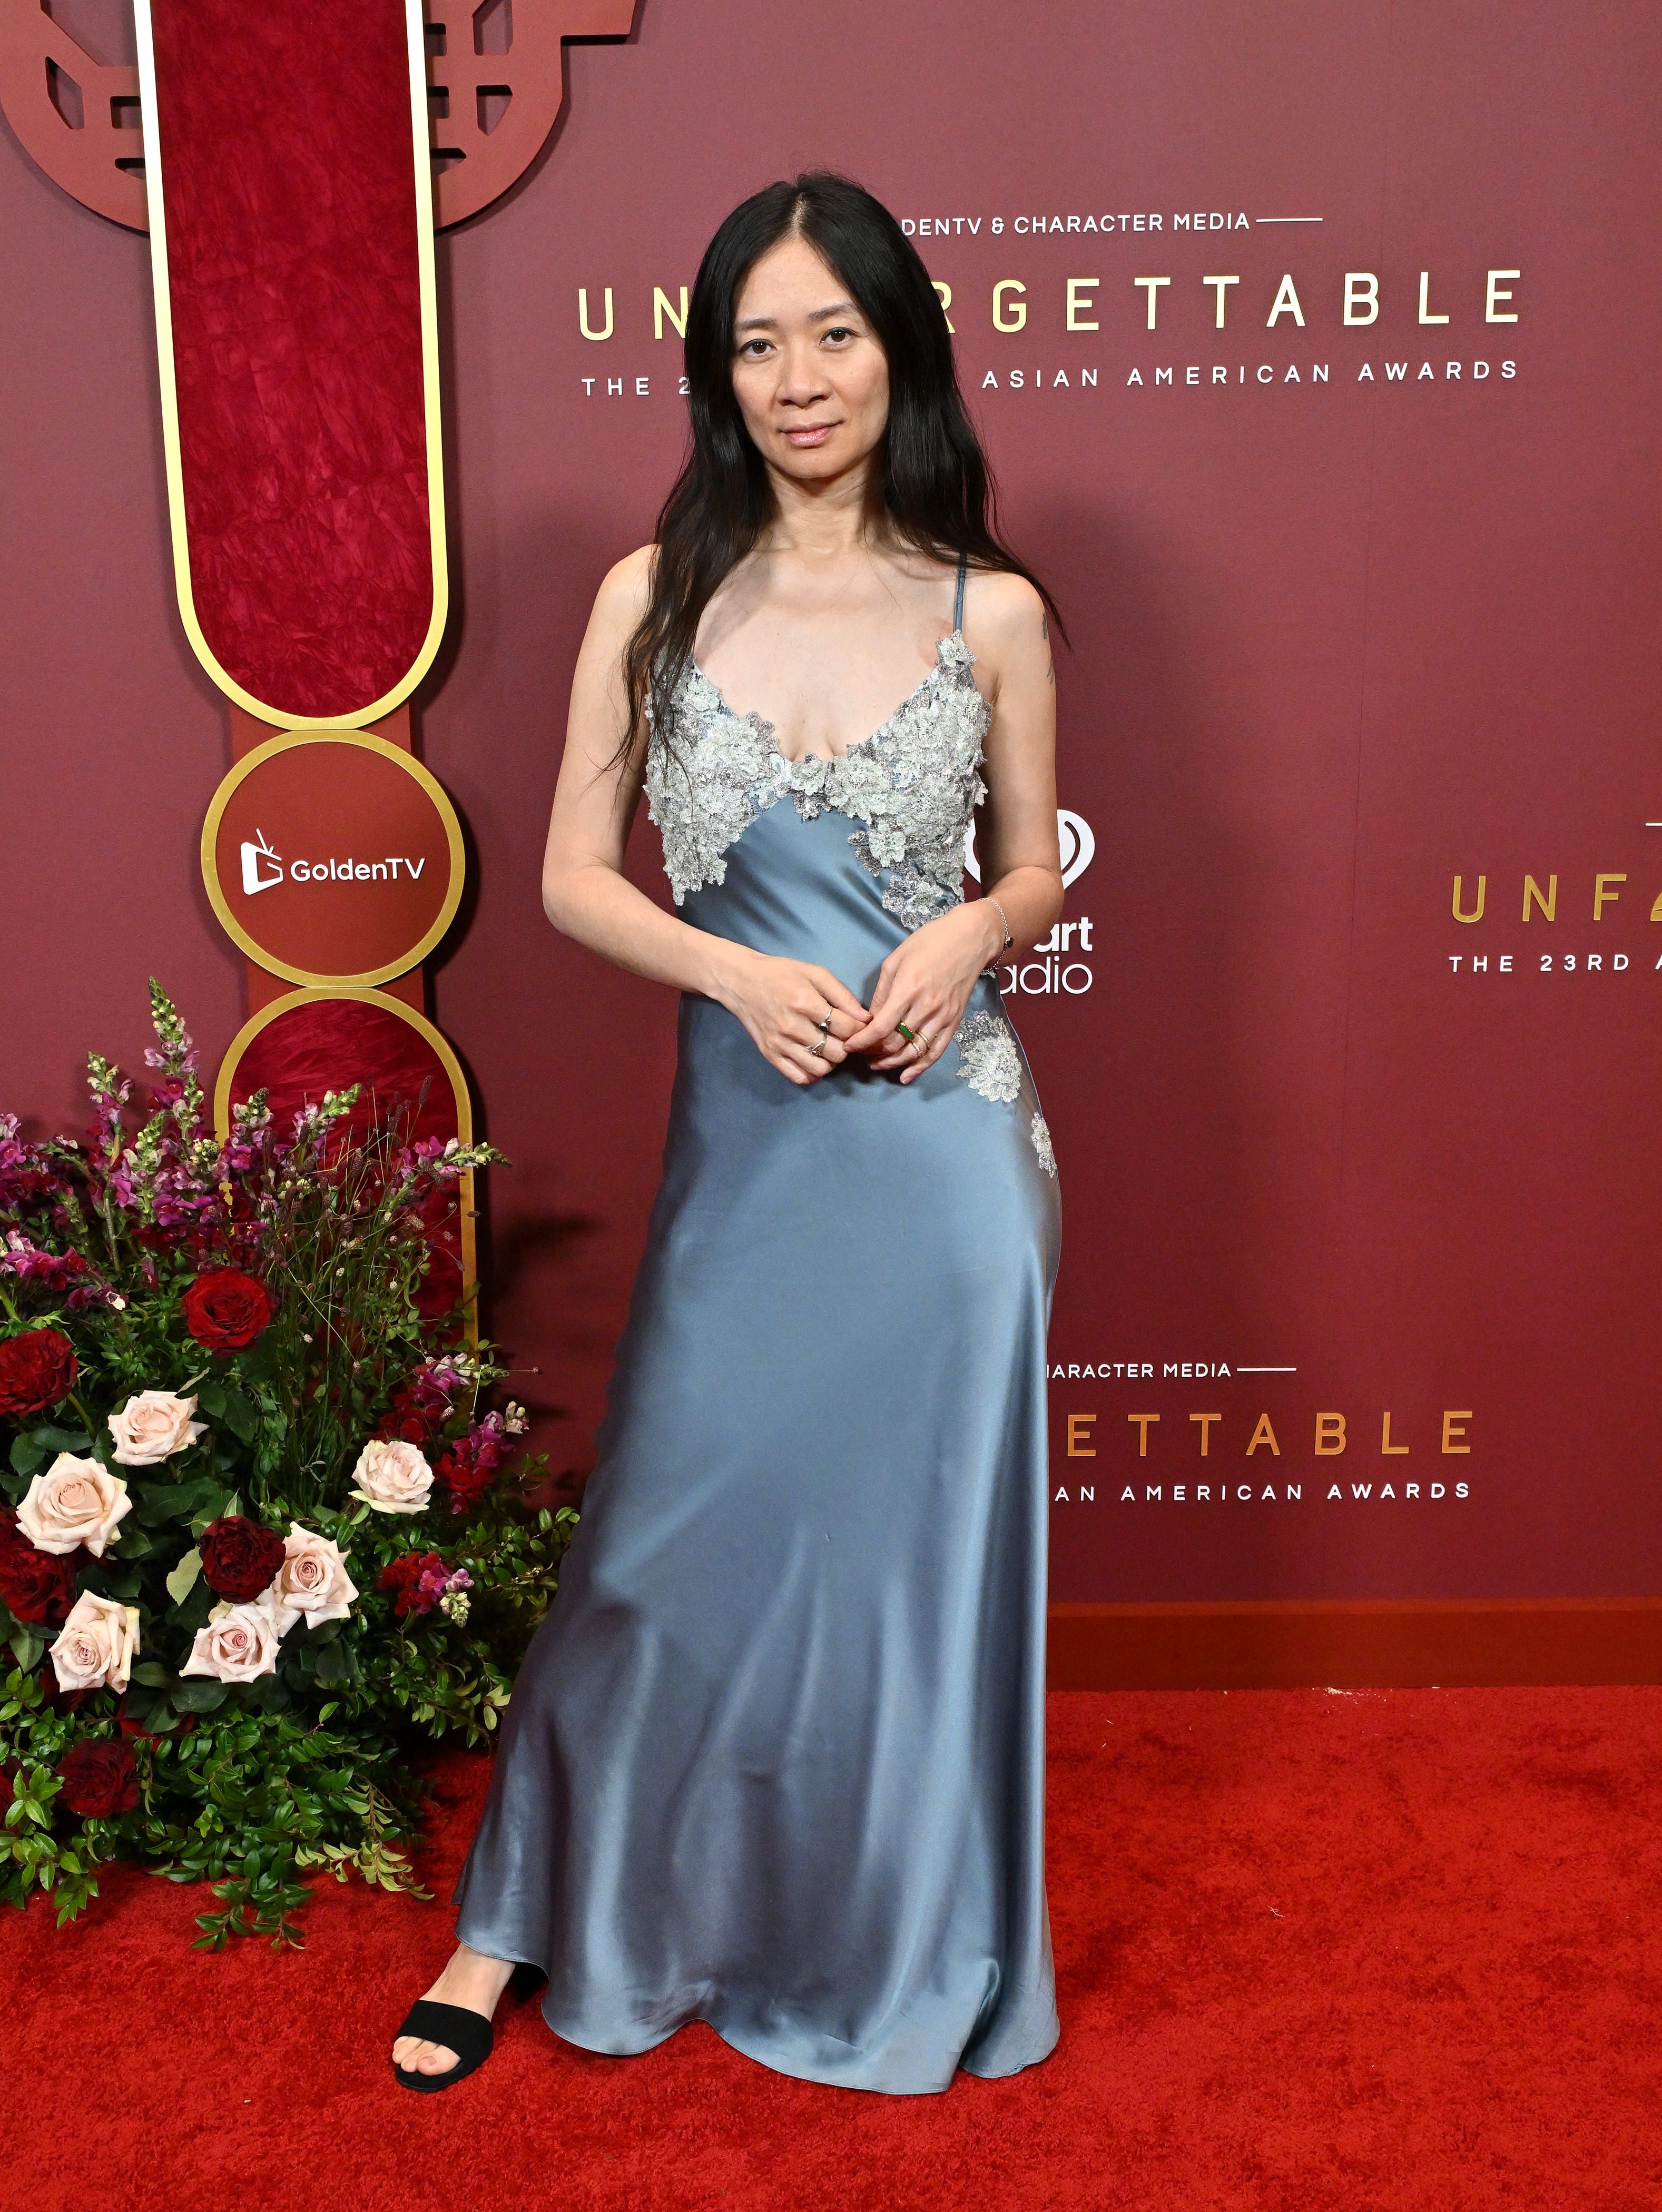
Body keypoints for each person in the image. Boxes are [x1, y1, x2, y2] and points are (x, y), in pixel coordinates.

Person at [392, 172, 1065, 2097]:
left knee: (903, 1579)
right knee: (657, 1549)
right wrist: (727, 971)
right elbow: (565, 881)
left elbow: (1026, 872)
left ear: (899, 346)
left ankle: (885, 1938)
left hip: (944, 1154)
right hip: (754, 1139)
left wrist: (961, 926)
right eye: (755, 343)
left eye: (832, 333)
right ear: (714, 375)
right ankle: (516, 1917)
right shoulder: (653, 591)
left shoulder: (990, 611)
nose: (797, 378)